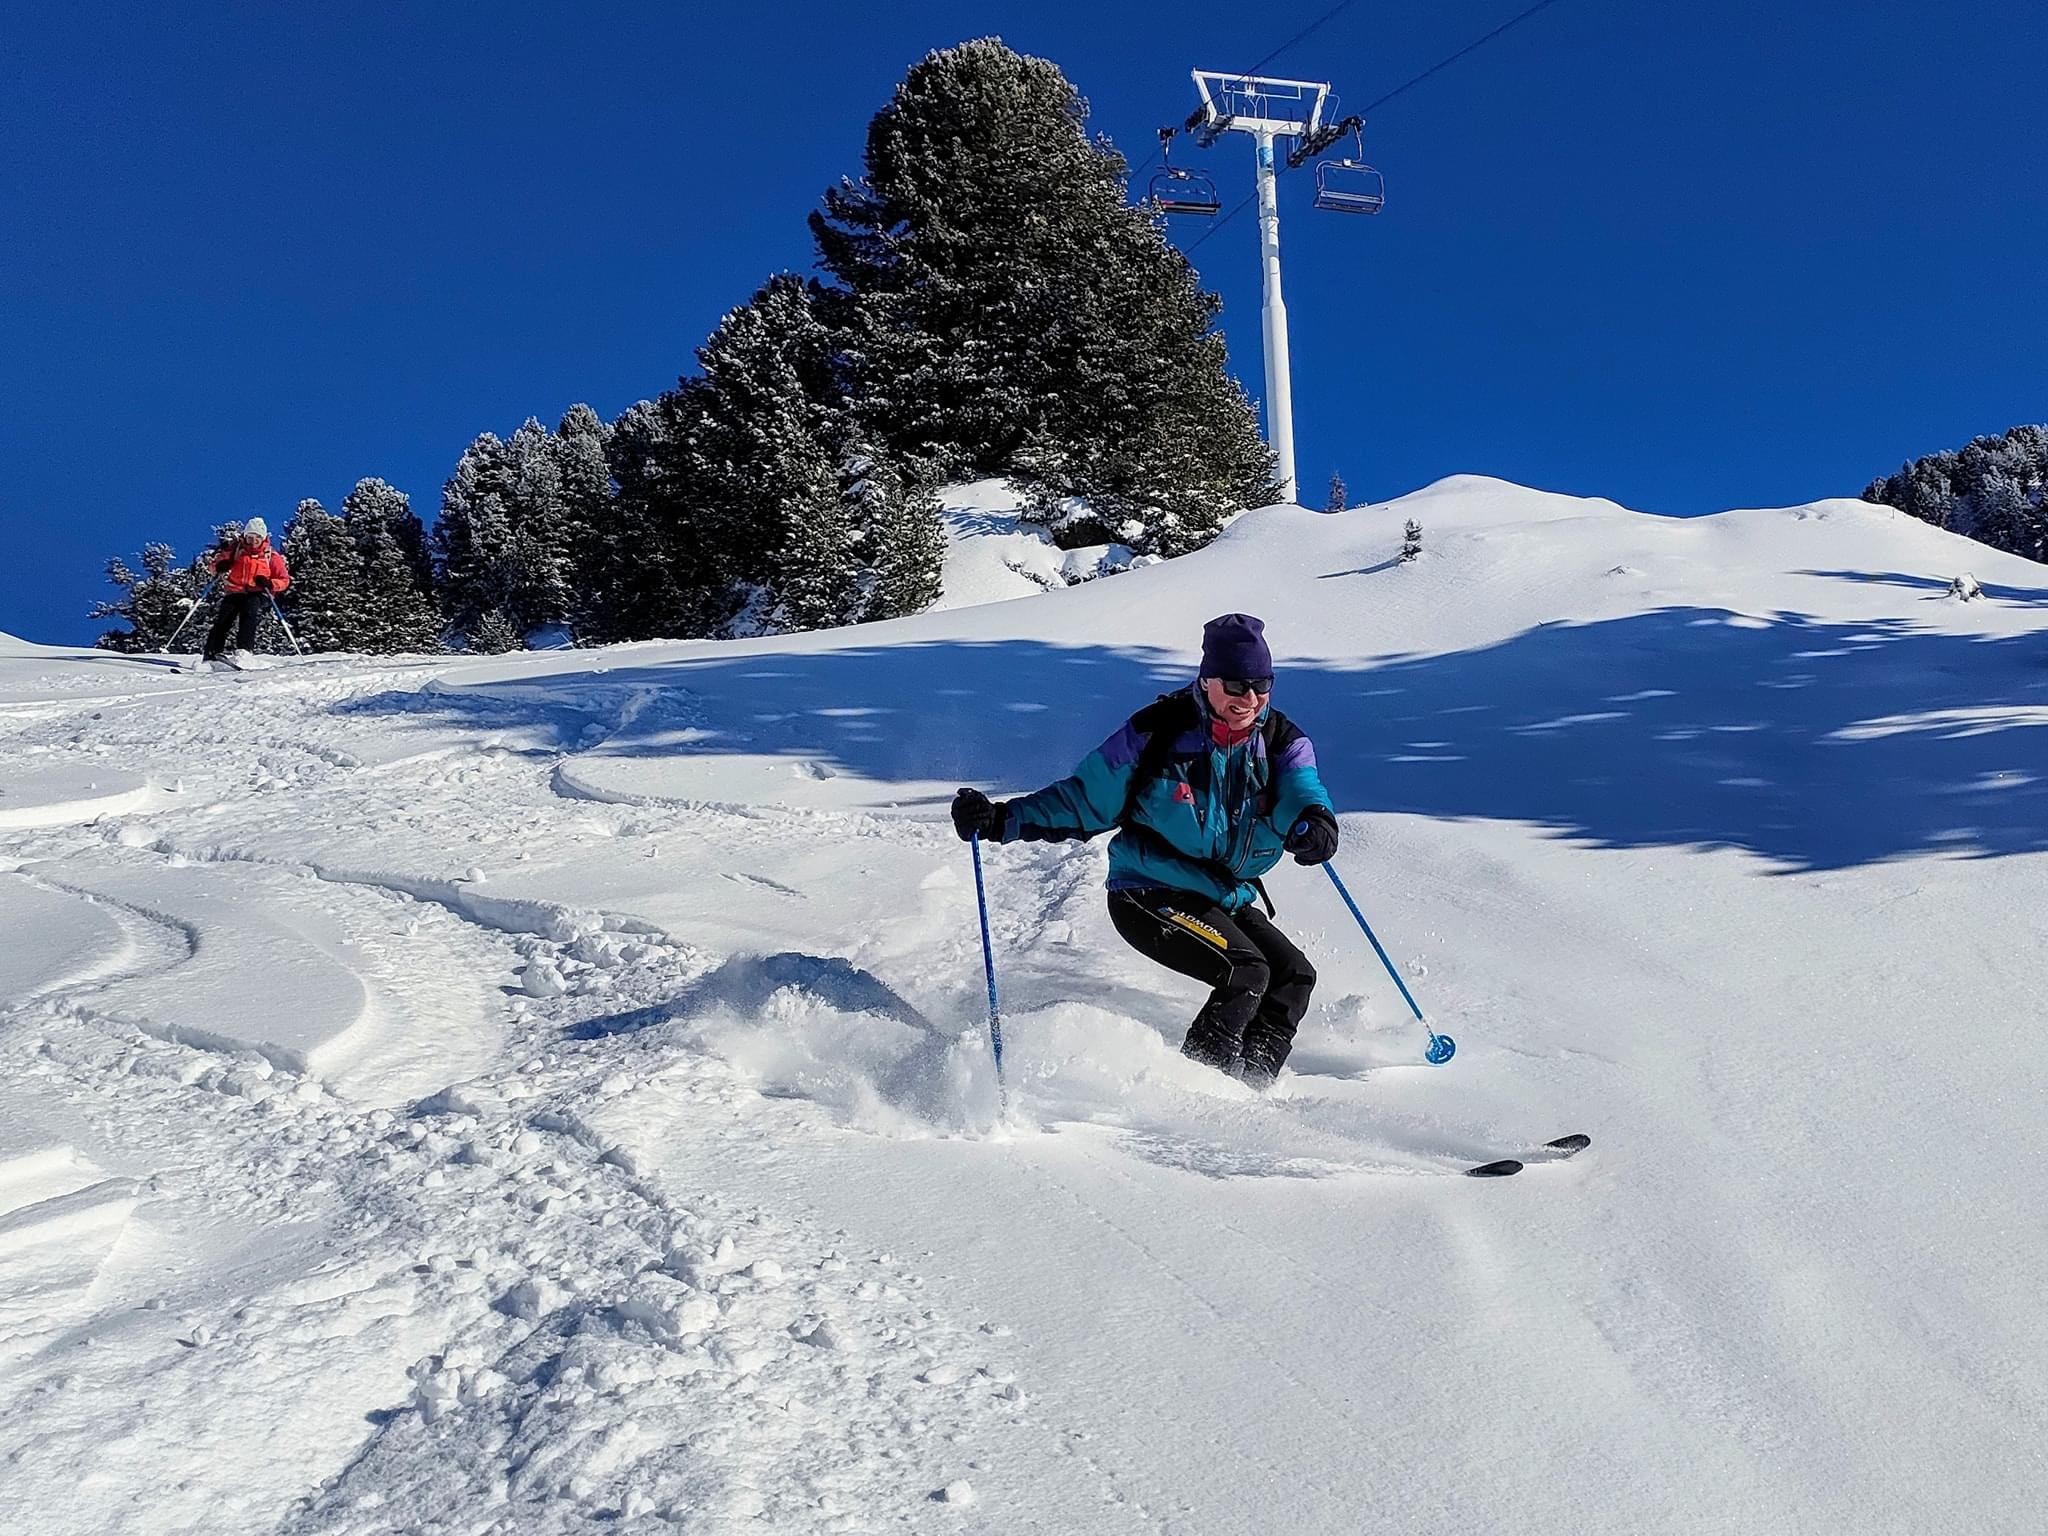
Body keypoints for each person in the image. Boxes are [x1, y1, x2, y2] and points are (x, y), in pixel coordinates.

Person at [951, 614, 1340, 1090]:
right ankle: (1198, 1090)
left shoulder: (1280, 740)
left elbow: (1301, 791)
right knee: (1247, 970)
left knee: (1294, 975)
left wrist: (1314, 823)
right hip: (1148, 891)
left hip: (1220, 894)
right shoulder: (1158, 733)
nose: (1250, 699)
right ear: (1207, 679)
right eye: (1237, 685)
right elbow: (1085, 799)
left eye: (1261, 685)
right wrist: (999, 819)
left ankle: (1249, 1087)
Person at [201, 517, 291, 664]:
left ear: (263, 538)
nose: (253, 541)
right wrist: (221, 566)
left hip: (258, 592)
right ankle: (211, 653)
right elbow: (214, 565)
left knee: (250, 611)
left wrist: (269, 583)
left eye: (257, 538)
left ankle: (244, 651)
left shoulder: (271, 556)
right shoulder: (236, 550)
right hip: (235, 590)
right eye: (250, 537)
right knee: (224, 618)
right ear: (245, 536)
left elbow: (284, 580)